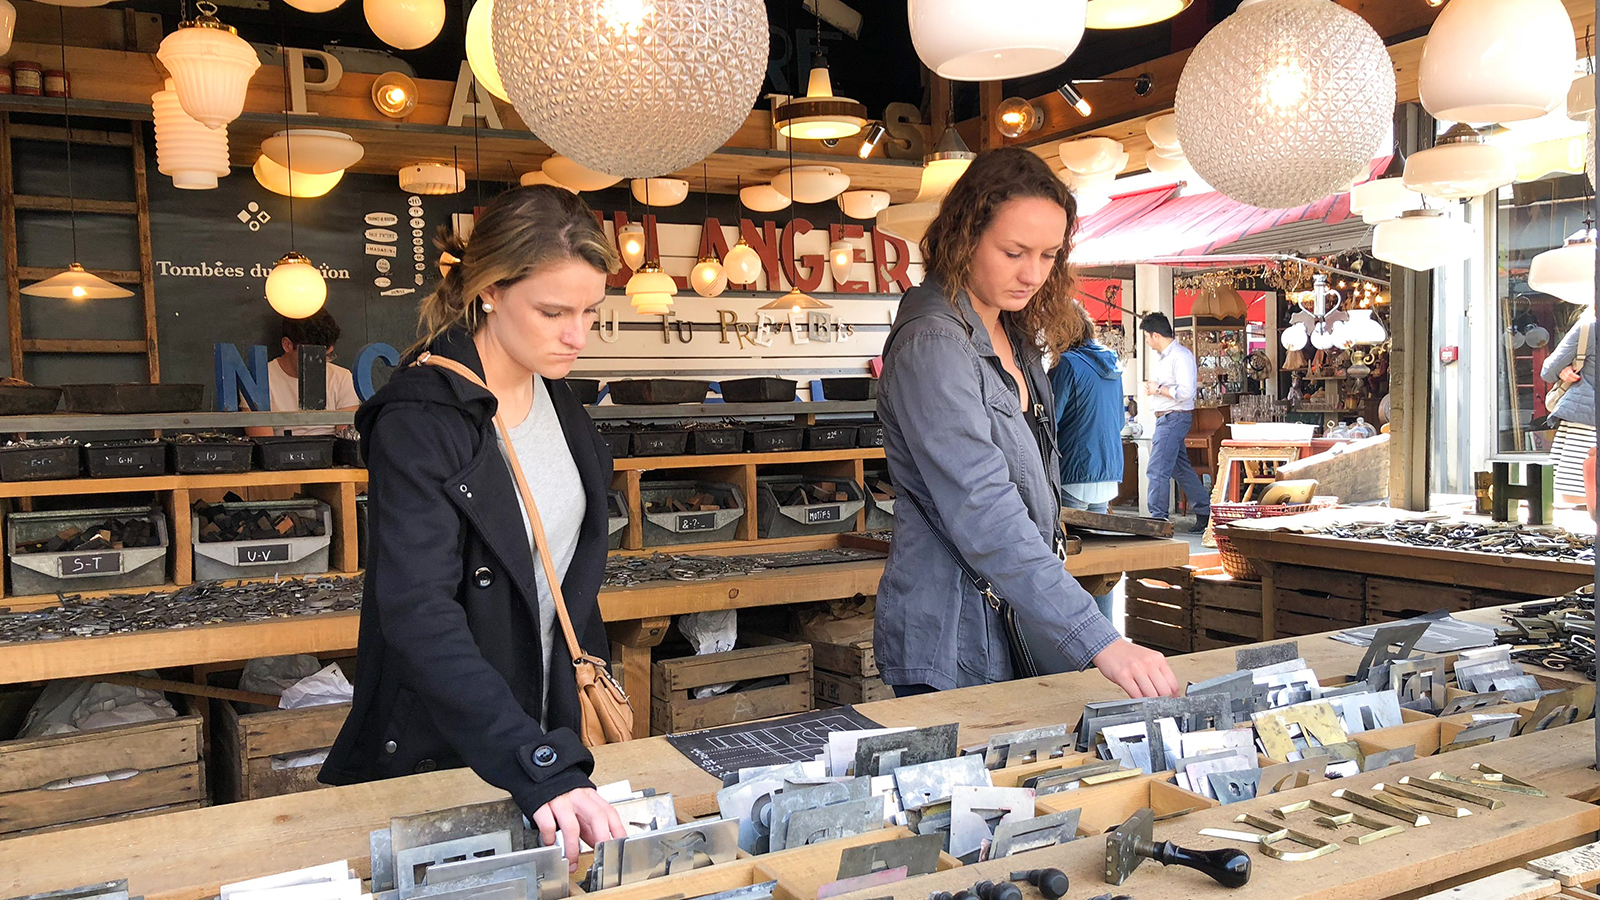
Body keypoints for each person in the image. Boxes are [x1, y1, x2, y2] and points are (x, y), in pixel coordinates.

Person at [321, 185, 626, 869]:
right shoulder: (422, 420)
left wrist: (555, 741)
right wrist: (530, 758)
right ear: (489, 291)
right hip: (451, 742)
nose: (577, 334)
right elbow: (418, 611)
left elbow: (566, 579)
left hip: (546, 737)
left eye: (589, 312)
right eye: (553, 311)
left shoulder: (561, 401)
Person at [875, 147, 1179, 700]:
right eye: (1014, 251)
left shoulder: (1009, 331)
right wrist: (1098, 638)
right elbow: (981, 505)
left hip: (1015, 619)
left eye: (1048, 255)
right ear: (963, 236)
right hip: (956, 637)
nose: (1033, 274)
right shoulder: (934, 344)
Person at [1048, 301, 1126, 622]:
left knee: (1070, 566)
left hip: (1073, 472)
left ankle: (1078, 650)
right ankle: (1105, 642)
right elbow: (1119, 420)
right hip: (1107, 473)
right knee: (1098, 569)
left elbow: (1047, 421)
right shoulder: (1112, 366)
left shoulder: (1067, 365)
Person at [244, 310, 362, 437]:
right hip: (281, 453)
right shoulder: (257, 381)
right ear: (287, 345)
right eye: (311, 357)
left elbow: (347, 441)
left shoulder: (342, 378)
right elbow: (264, 444)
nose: (320, 363)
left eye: (326, 356)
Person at [1140, 313, 1208, 530]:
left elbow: (1187, 392)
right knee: (1181, 469)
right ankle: (1205, 511)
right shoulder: (1167, 357)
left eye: (1147, 337)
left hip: (1173, 416)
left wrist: (1158, 389)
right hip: (1169, 417)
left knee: (1157, 468)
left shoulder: (1180, 356)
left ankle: (1158, 518)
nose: (1147, 342)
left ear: (1156, 334)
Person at [1542, 311, 1595, 505]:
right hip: (1586, 418)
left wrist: (1568, 367)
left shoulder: (1589, 328)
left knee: (1577, 500)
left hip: (1585, 423)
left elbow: (1548, 371)